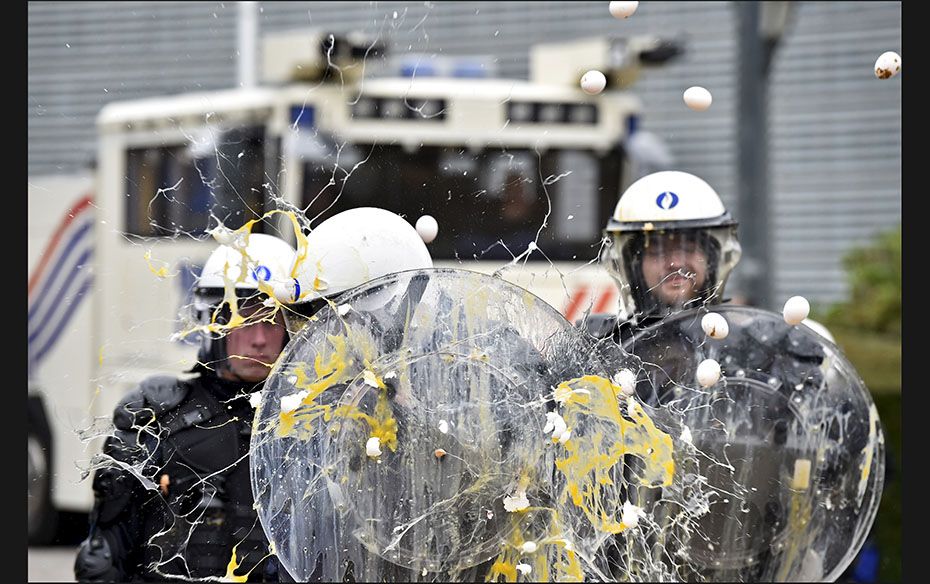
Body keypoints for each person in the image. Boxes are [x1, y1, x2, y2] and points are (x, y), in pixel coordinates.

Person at [74, 232, 296, 582]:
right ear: (214, 322)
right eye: (246, 319)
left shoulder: (312, 423)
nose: (259, 339)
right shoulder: (155, 416)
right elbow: (105, 558)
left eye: (271, 321)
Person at [582, 170, 742, 345]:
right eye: (657, 251)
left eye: (688, 247)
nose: (676, 263)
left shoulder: (748, 350)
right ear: (633, 266)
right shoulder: (600, 348)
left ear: (712, 258)